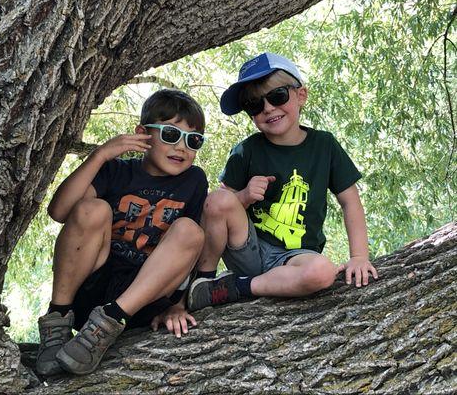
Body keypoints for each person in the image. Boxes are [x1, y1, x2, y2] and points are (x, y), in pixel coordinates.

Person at [187, 52, 378, 312]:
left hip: (296, 256)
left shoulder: (324, 145)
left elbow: (350, 201)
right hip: (248, 248)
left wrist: (359, 257)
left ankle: (240, 288)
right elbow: (215, 210)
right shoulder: (246, 151)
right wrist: (243, 197)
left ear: (301, 95)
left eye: (277, 96)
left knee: (323, 272)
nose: (268, 108)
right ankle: (203, 282)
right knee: (220, 199)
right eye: (254, 104)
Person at [36, 89, 208, 376]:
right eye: (170, 134)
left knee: (191, 230)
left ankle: (108, 324)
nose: (182, 147)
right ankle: (57, 320)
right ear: (142, 134)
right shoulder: (115, 171)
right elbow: (59, 212)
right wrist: (100, 155)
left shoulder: (194, 180)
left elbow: (190, 251)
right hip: (93, 288)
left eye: (193, 140)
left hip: (143, 298)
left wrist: (178, 305)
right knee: (91, 209)